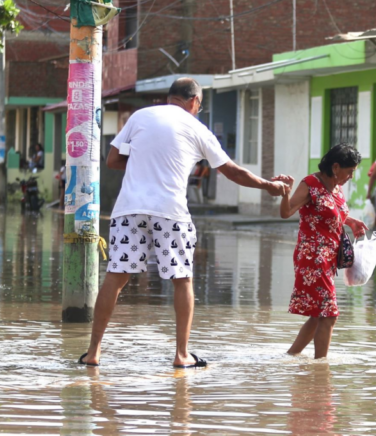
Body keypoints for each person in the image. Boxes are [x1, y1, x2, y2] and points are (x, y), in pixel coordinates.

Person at [79, 77, 288, 368]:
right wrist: (269, 186)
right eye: (199, 106)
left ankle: (93, 353)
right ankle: (181, 355)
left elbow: (113, 159)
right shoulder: (196, 128)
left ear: (170, 97)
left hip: (129, 210)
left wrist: (144, 162)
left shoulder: (140, 116)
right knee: (182, 280)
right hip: (170, 213)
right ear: (194, 102)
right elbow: (233, 172)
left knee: (115, 278)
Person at [278, 144, 369, 359]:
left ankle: (290, 356)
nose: (350, 176)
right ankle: (321, 368)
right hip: (312, 258)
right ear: (336, 167)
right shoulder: (311, 184)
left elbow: (330, 213)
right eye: (350, 171)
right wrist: (286, 193)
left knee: (319, 315)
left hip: (329, 259)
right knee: (329, 315)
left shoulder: (336, 186)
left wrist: (350, 221)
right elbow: (286, 212)